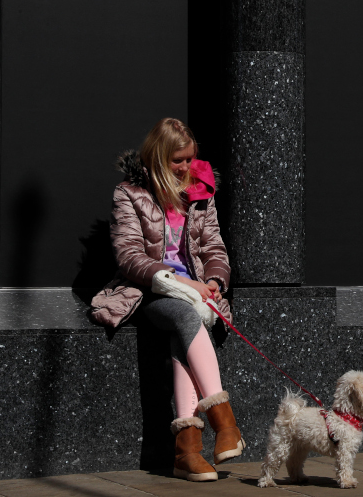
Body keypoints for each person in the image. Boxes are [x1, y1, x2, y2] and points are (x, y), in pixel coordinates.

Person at [91, 118, 244, 481]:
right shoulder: (129, 193)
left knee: (183, 328)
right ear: (158, 158)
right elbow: (129, 256)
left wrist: (212, 280)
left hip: (195, 293)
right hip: (147, 290)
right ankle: (225, 424)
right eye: (178, 160)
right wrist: (180, 283)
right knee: (184, 315)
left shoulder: (201, 192)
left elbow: (215, 248)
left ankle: (187, 452)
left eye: (190, 159)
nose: (186, 167)